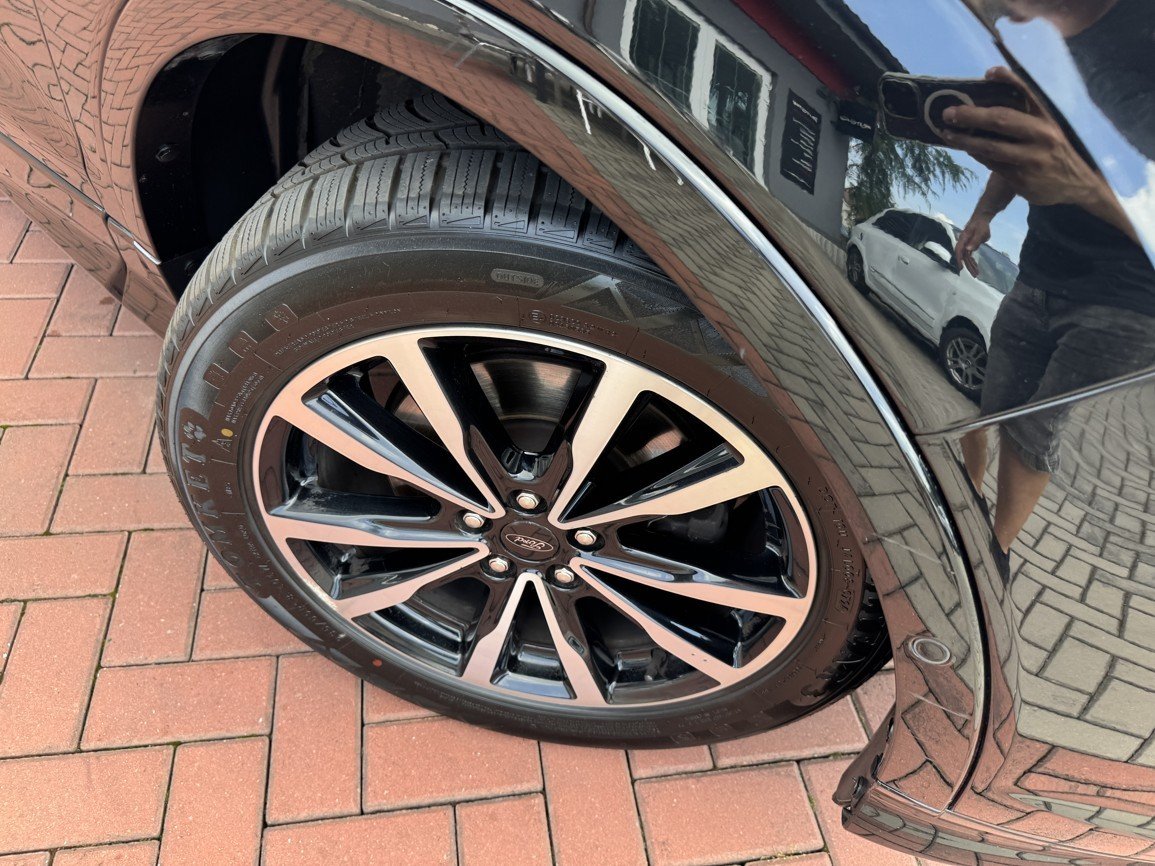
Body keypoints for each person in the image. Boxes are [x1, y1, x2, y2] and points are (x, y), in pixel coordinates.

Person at [944, 0, 1155, 567]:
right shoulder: (1032, 37)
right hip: (1038, 270)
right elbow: (1024, 147)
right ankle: (963, 508)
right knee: (991, 405)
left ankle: (993, 555)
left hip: (1128, 302)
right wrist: (984, 213)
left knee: (1033, 429)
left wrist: (1086, 188)